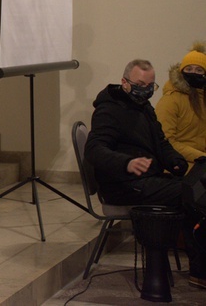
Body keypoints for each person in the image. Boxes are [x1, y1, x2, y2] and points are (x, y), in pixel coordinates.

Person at [84, 59, 206, 288]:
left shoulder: (143, 106)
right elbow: (94, 149)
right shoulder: (109, 109)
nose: (147, 90)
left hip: (146, 179)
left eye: (151, 85)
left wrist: (177, 162)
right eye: (140, 84)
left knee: (197, 189)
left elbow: (161, 142)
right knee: (195, 195)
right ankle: (200, 271)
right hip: (123, 184)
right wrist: (126, 163)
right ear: (124, 82)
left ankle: (199, 270)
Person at [156, 43, 206, 170]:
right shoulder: (171, 99)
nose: (193, 73)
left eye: (199, 70)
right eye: (189, 69)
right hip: (179, 165)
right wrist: (201, 157)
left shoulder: (203, 99)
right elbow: (165, 141)